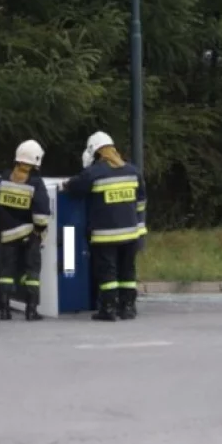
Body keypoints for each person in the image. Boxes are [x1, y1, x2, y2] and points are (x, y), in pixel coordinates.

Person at [61, 131, 146, 321]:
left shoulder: (94, 172)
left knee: (107, 271)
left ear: (96, 152)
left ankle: (108, 309)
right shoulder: (133, 171)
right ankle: (128, 308)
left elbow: (75, 187)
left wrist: (66, 185)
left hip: (105, 234)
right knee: (127, 271)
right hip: (131, 233)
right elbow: (141, 201)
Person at [0, 140, 52, 321]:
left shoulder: (3, 179)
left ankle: (4, 311)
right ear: (36, 161)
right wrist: (39, 230)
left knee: (6, 274)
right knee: (32, 273)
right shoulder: (35, 183)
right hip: (29, 236)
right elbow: (41, 214)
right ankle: (31, 311)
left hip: (6, 236)